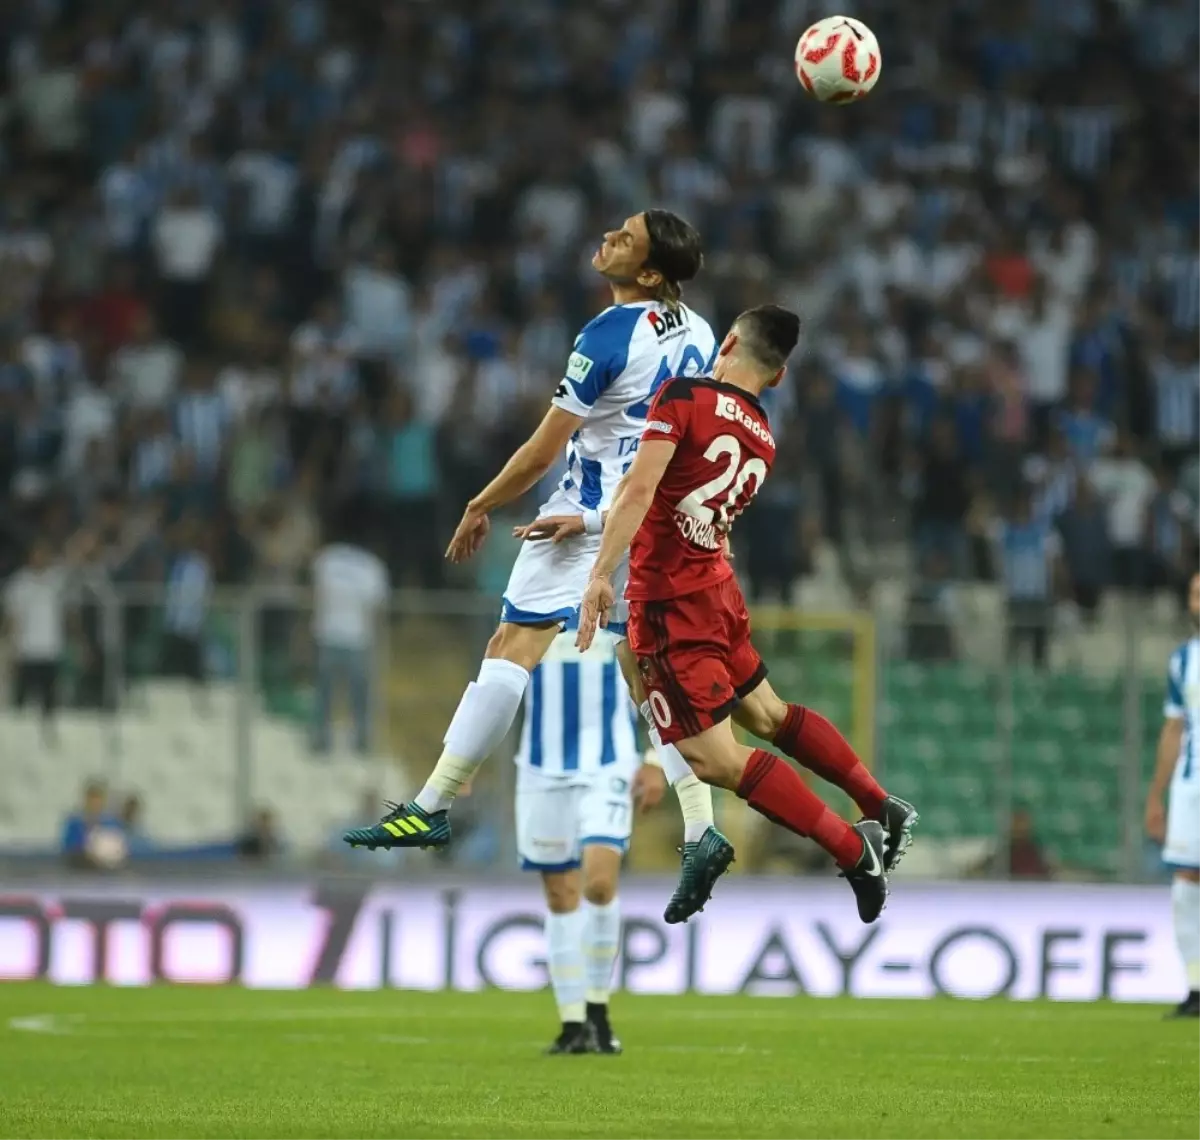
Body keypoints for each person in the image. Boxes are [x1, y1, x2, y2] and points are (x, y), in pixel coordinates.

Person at [345, 210, 731, 923]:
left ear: (648, 273)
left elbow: (544, 449)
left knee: (510, 647)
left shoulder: (607, 336)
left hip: (585, 522)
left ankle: (430, 806)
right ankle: (702, 826)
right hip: (653, 522)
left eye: (627, 237)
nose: (610, 235)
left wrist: (479, 502)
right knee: (645, 671)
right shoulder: (702, 332)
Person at [575, 305, 918, 924]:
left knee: (716, 758)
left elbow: (641, 490)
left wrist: (600, 573)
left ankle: (852, 849)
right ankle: (878, 801)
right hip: (717, 591)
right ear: (780, 377)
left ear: (727, 341)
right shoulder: (763, 435)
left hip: (673, 604)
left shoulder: (682, 398)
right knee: (768, 713)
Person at [515, 628, 665, 1055]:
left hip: (609, 765)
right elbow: (499, 680)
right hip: (540, 770)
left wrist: (655, 760)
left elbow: (653, 685)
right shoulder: (533, 605)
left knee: (599, 883)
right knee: (560, 894)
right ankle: (572, 1023)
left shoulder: (620, 613)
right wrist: (465, 760)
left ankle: (597, 1008)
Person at [1145, 570, 1200, 1019]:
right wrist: (1156, 796)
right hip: (1190, 789)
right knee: (1186, 885)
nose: (1198, 601)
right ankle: (1196, 984)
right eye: (1194, 593)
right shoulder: (1183, 660)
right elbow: (1173, 728)